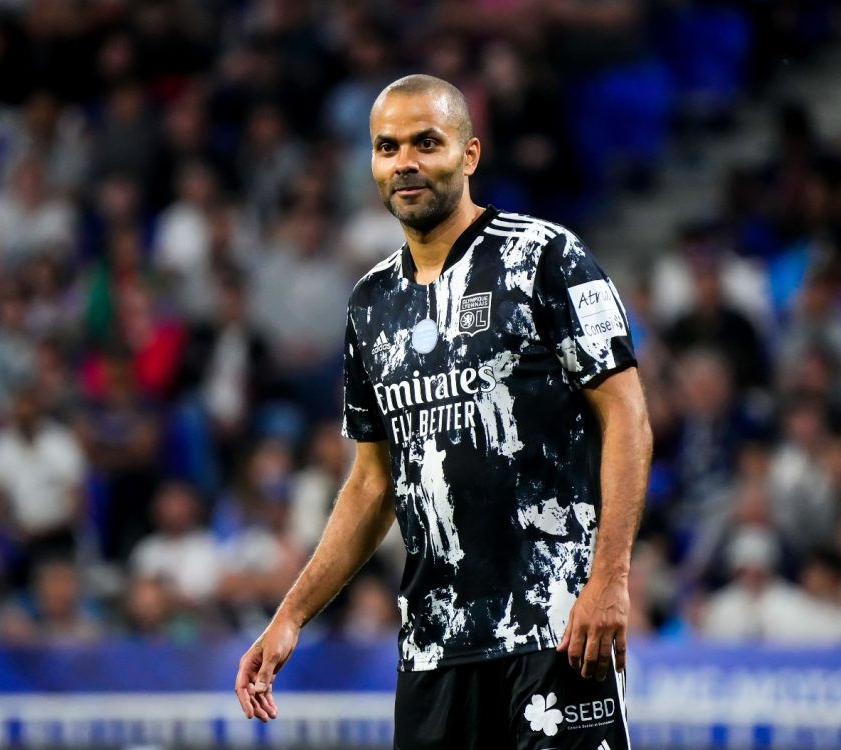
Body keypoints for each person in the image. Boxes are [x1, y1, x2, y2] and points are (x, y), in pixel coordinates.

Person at [234, 74, 652, 750]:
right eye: (387, 147)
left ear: (469, 153)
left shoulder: (544, 257)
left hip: (556, 626)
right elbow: (372, 484)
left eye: (426, 143)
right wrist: (291, 615)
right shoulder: (369, 305)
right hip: (435, 646)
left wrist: (611, 577)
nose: (405, 162)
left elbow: (626, 415)